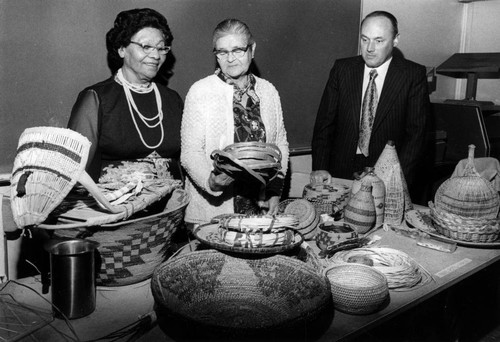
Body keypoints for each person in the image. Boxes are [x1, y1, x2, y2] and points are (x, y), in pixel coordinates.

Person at [181, 18, 289, 226]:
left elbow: (280, 144)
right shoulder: (200, 91)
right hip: (212, 213)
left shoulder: (268, 91)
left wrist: (275, 189)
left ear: (252, 49)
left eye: (238, 50)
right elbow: (190, 152)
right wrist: (211, 182)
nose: (230, 59)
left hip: (260, 210)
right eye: (222, 52)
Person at [311, 10, 430, 192]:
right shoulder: (342, 70)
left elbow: (416, 136)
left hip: (387, 174)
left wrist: (397, 181)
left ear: (396, 40)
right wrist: (320, 166)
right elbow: (324, 123)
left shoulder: (413, 75)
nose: (369, 48)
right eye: (365, 39)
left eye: (379, 41)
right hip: (340, 171)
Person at [68, 8, 183, 182]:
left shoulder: (172, 99)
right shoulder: (96, 98)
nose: (155, 55)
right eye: (146, 47)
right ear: (122, 49)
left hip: (172, 206)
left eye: (161, 48)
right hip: (115, 207)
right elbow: (73, 169)